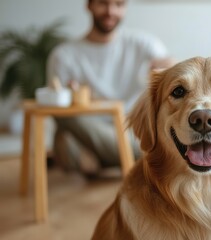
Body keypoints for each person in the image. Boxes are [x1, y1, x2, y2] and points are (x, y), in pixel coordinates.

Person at [47, 0, 174, 177]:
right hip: (87, 131)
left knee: (152, 135)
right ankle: (131, 162)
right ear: (89, 5)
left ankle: (110, 165)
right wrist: (74, 98)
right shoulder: (64, 55)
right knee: (64, 135)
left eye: (118, 4)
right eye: (103, 3)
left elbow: (172, 76)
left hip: (131, 129)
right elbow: (59, 105)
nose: (110, 11)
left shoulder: (144, 44)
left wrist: (167, 69)